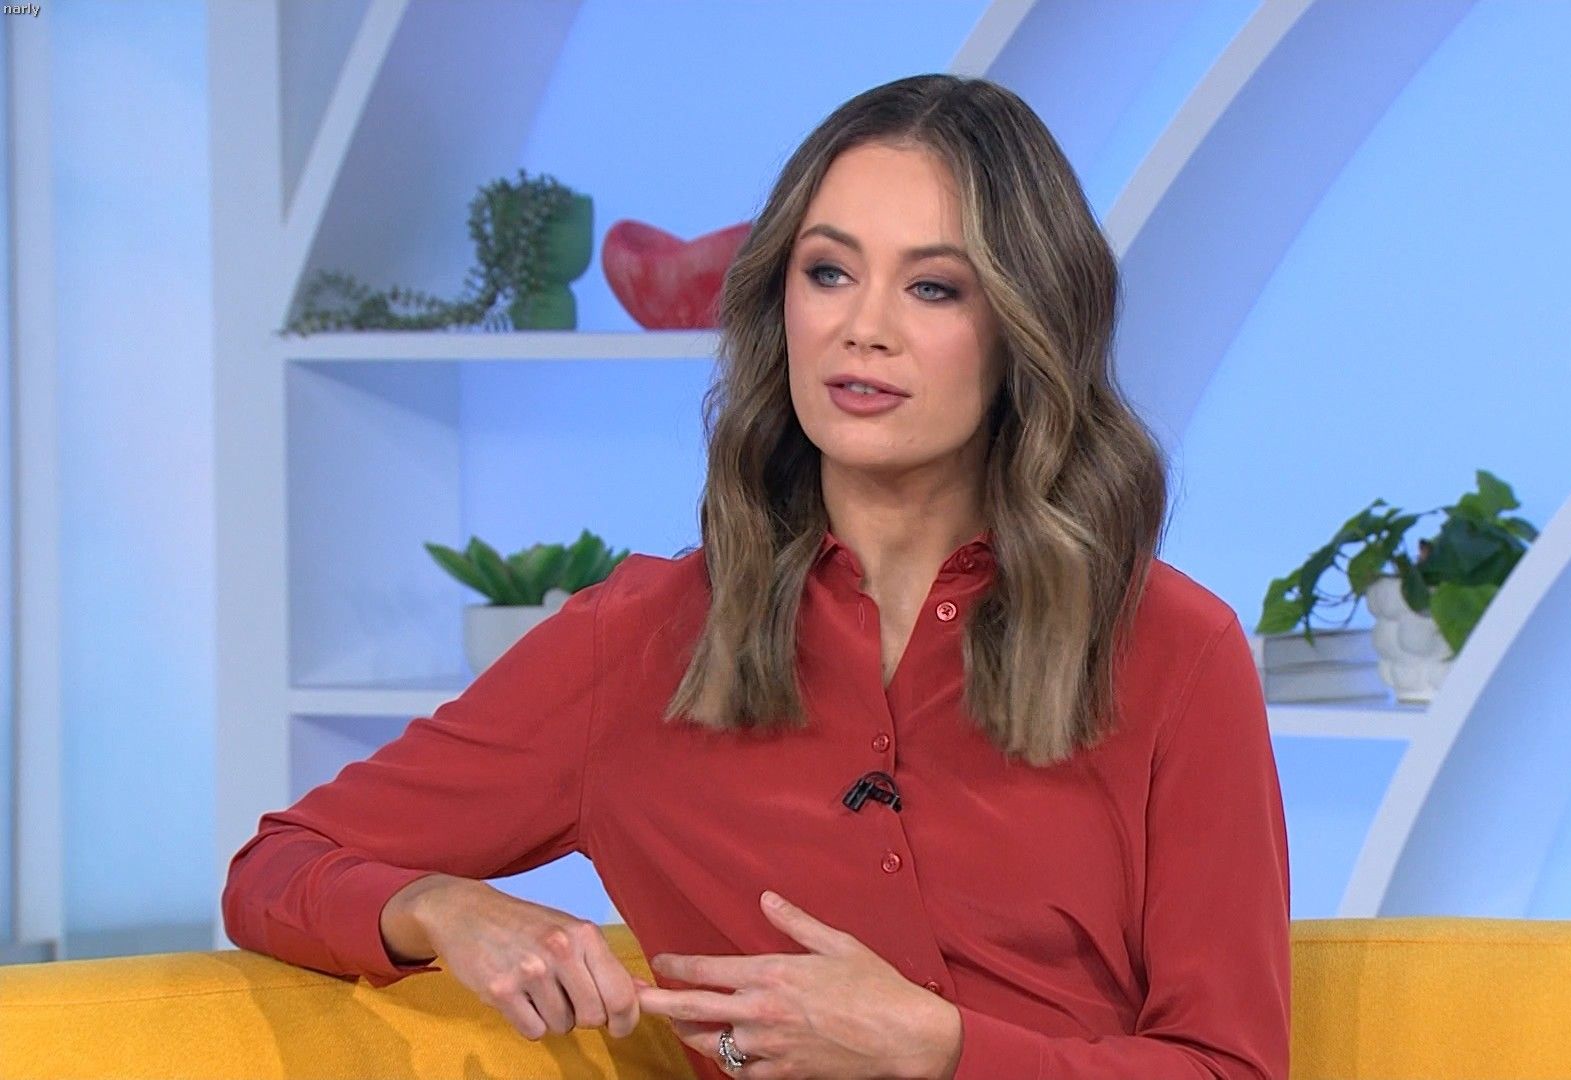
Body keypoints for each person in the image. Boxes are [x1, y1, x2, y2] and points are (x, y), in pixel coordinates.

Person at [223, 73, 1291, 1079]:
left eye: (932, 287)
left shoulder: (1171, 648)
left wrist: (938, 1048)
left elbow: (1232, 1064)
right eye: (828, 272)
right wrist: (444, 906)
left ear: (1025, 328)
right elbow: (276, 869)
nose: (862, 328)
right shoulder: (640, 643)